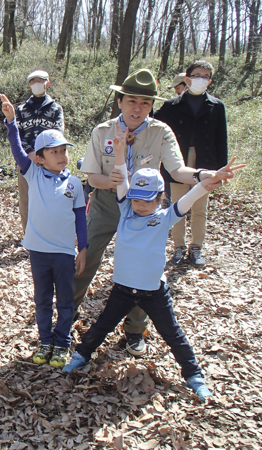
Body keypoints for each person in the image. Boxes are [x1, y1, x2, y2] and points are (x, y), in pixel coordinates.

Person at [62, 129, 244, 402]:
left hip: (154, 292)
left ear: (160, 198)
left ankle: (194, 376)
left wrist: (210, 179)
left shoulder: (165, 217)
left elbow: (192, 196)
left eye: (147, 201)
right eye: (136, 199)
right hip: (123, 290)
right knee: (102, 325)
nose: (140, 205)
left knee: (174, 335)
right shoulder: (125, 210)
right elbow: (122, 178)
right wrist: (121, 152)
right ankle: (81, 355)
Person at [74, 68, 225, 357]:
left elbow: (178, 170)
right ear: (120, 101)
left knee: (144, 268)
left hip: (146, 209)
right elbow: (92, 177)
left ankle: (134, 331)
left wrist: (205, 174)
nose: (138, 108)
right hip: (107, 203)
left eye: (145, 103)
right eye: (132, 101)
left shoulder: (161, 132)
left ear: (151, 105)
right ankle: (70, 310)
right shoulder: (103, 131)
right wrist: (112, 181)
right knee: (87, 255)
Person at [1, 93, 87, 367]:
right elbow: (16, 149)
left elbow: (81, 221)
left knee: (64, 300)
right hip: (38, 251)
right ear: (39, 158)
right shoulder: (32, 173)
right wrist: (11, 122)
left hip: (63, 252)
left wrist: (82, 249)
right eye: (54, 152)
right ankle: (45, 340)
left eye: (64, 151)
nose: (61, 156)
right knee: (42, 300)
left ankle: (62, 342)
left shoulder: (74, 183)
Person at [155, 61, 228, 267]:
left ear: (210, 81)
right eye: (197, 75)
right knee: (178, 206)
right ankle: (179, 247)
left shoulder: (216, 106)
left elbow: (221, 139)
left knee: (199, 208)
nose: (201, 79)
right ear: (187, 79)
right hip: (177, 162)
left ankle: (196, 247)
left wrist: (221, 170)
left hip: (206, 162)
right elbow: (154, 125)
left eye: (205, 76)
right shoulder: (171, 106)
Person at [15, 70, 65, 233]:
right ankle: (28, 234)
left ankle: (49, 232)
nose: (36, 83)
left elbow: (58, 134)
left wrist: (43, 155)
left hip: (50, 162)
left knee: (51, 198)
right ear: (29, 85)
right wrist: (30, 153)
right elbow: (17, 134)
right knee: (26, 200)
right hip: (26, 161)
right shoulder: (21, 109)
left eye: (40, 80)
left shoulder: (56, 108)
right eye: (33, 81)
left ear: (47, 83)